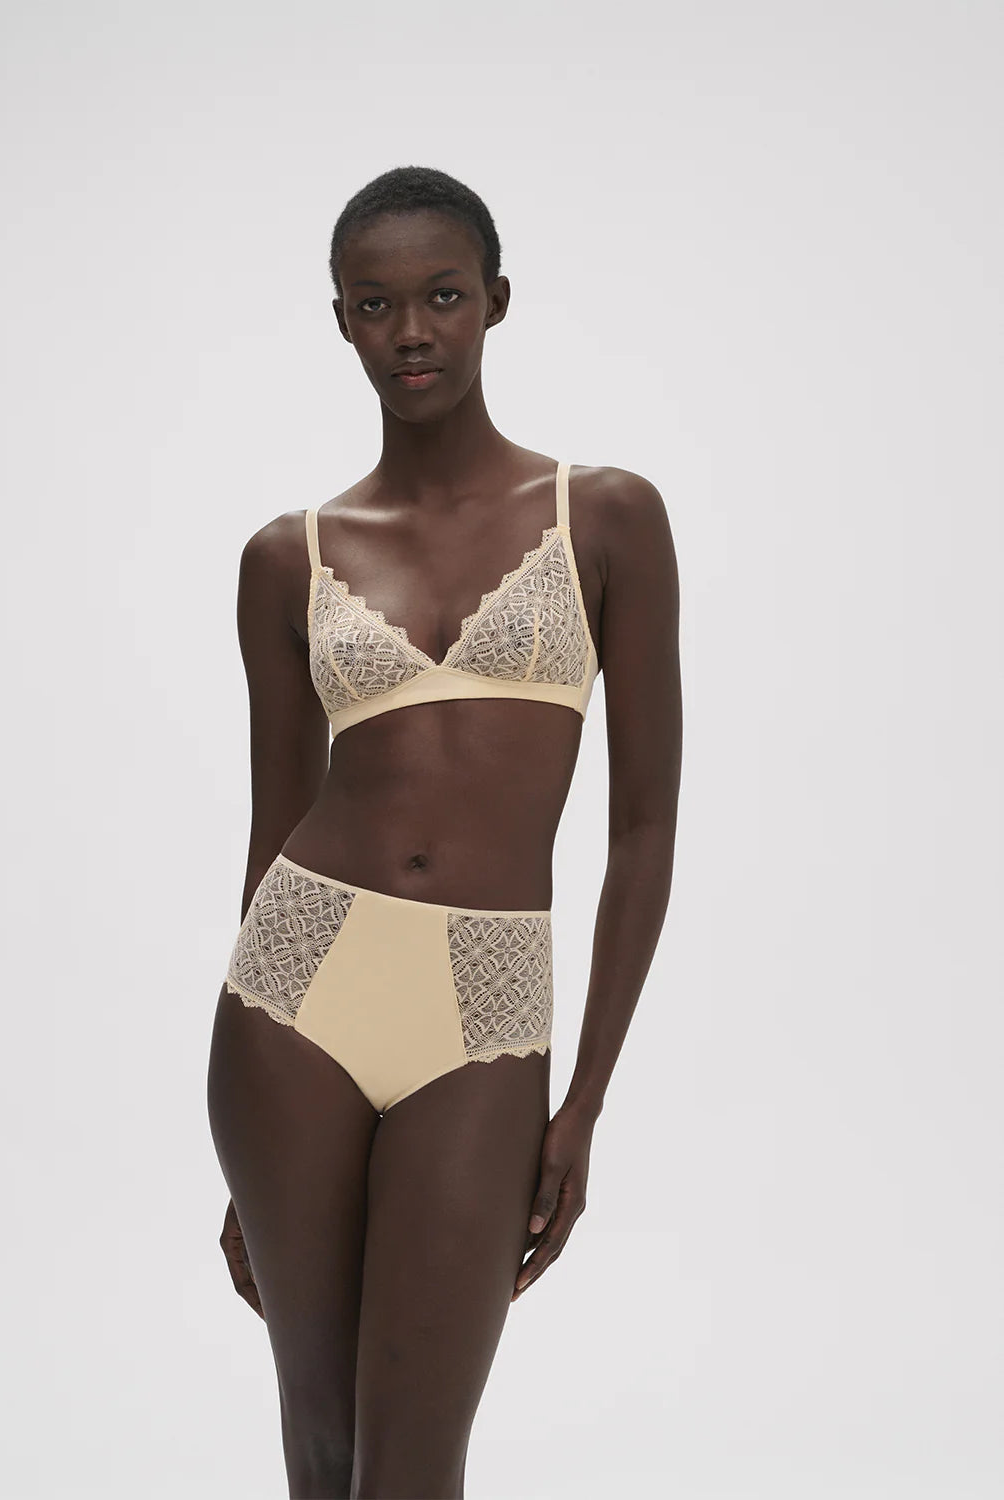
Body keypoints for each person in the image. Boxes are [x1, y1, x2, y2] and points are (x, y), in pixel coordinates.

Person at [206, 164, 682, 1499]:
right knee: (323, 1451)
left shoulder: (606, 517)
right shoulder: (287, 555)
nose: (410, 331)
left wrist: (584, 1100)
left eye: (442, 297)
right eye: (374, 304)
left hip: (487, 999)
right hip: (292, 991)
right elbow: (275, 818)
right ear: (341, 320)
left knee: (412, 1468)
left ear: (495, 302)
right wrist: (252, 1165)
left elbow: (643, 829)